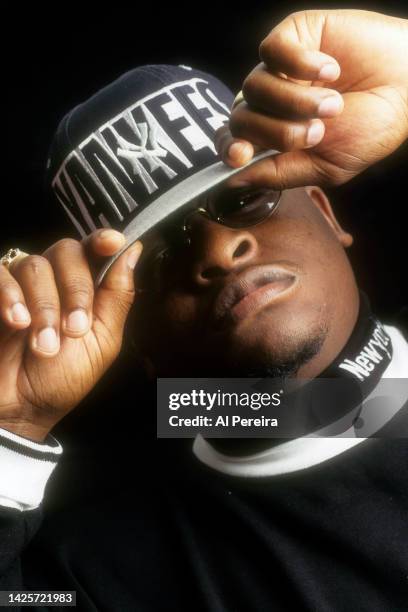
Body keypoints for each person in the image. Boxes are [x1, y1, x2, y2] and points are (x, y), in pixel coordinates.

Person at [0, 8, 407, 611]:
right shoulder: (97, 575)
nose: (216, 252)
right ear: (130, 333)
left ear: (326, 212)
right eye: (159, 255)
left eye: (244, 199)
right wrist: (8, 430)